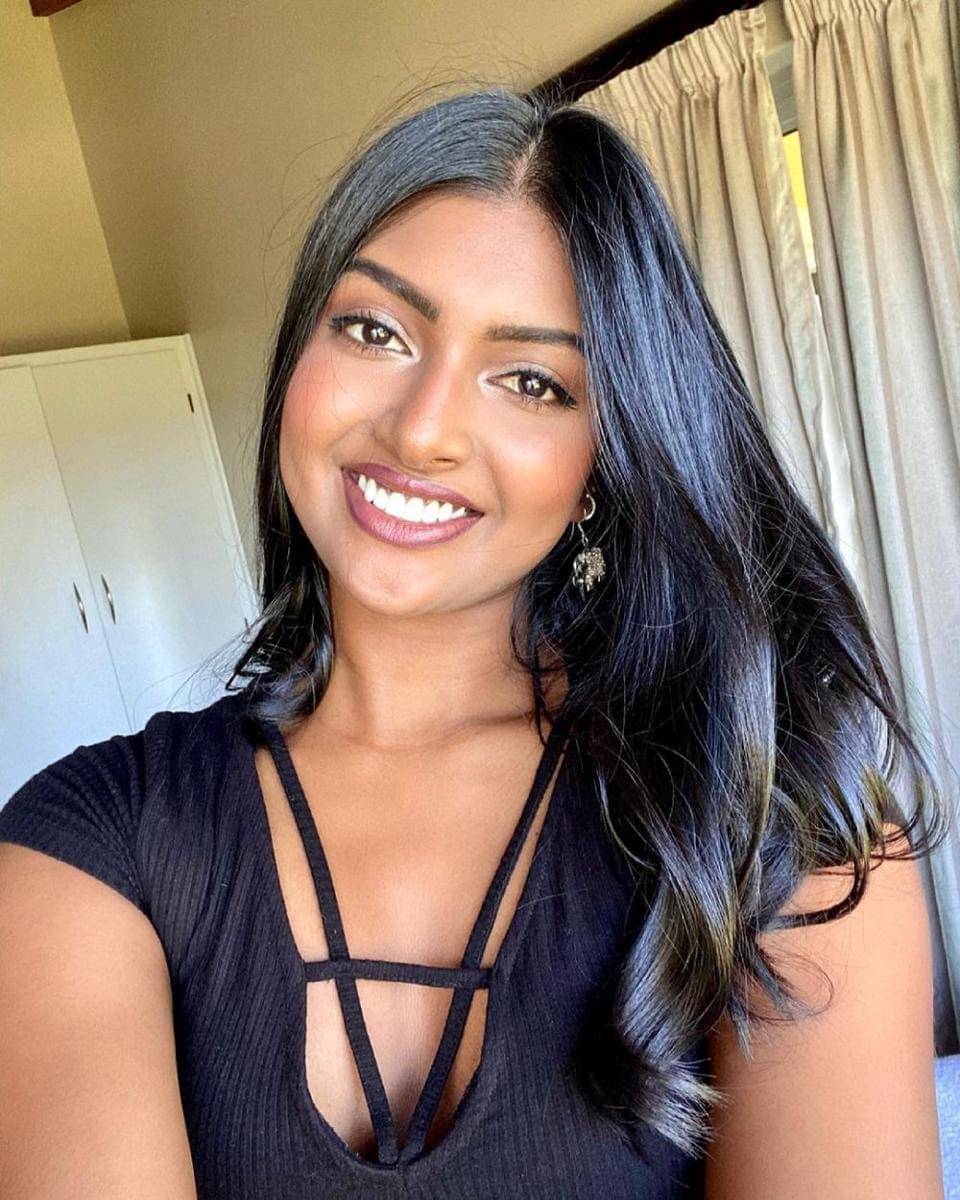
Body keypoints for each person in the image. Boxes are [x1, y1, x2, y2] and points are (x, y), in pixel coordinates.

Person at [0, 85, 950, 1200]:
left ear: (603, 463)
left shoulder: (772, 820)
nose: (423, 430)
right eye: (376, 330)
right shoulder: (88, 841)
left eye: (532, 382)